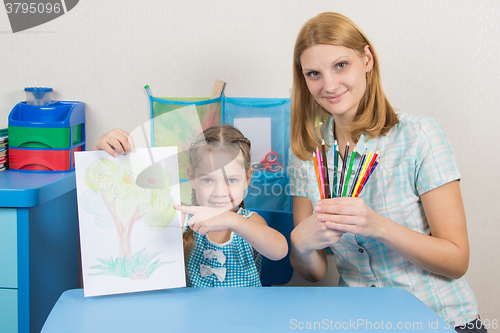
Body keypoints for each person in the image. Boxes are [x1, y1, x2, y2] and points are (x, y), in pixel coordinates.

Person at [288, 12, 486, 332]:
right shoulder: (306, 153)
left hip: (441, 320)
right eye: (314, 73)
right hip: (360, 323)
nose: (329, 85)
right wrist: (300, 244)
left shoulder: (420, 136)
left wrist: (377, 226)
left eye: (341, 65)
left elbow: (456, 260)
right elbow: (313, 271)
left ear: (366, 58)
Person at [95, 125, 288, 287]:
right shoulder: (181, 218)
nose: (219, 191)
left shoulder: (248, 221)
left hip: (243, 320)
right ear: (192, 178)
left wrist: (231, 220)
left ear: (247, 179)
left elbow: (279, 251)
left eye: (231, 179)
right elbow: (128, 206)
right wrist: (101, 152)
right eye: (207, 180)